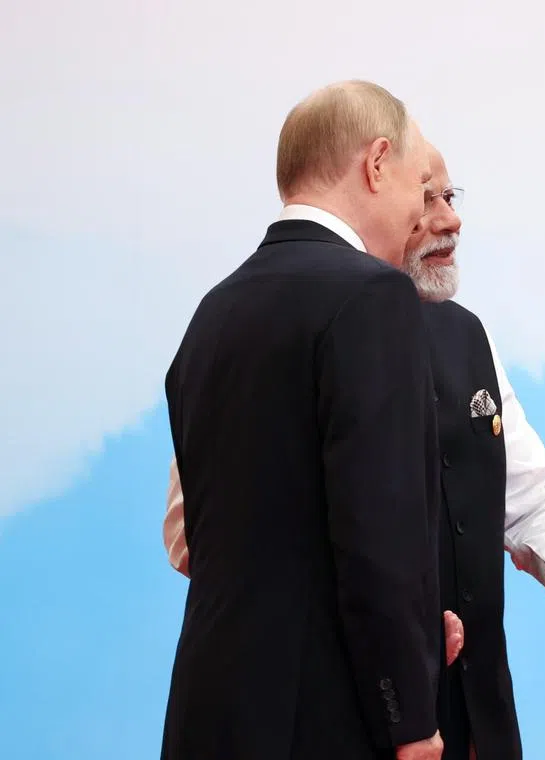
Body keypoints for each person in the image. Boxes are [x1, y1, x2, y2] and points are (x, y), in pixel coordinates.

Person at [162, 143, 545, 759]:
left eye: (451, 196)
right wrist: (390, 630)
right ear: (377, 197)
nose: (450, 219)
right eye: (426, 199)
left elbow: (525, 498)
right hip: (335, 719)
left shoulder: (466, 334)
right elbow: (194, 533)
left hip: (472, 721)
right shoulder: (274, 329)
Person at [160, 80, 447, 760]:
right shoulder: (373, 295)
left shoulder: (215, 310)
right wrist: (408, 715)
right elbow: (379, 532)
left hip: (209, 709)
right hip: (324, 717)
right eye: (419, 183)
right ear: (377, 164)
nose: (420, 214)